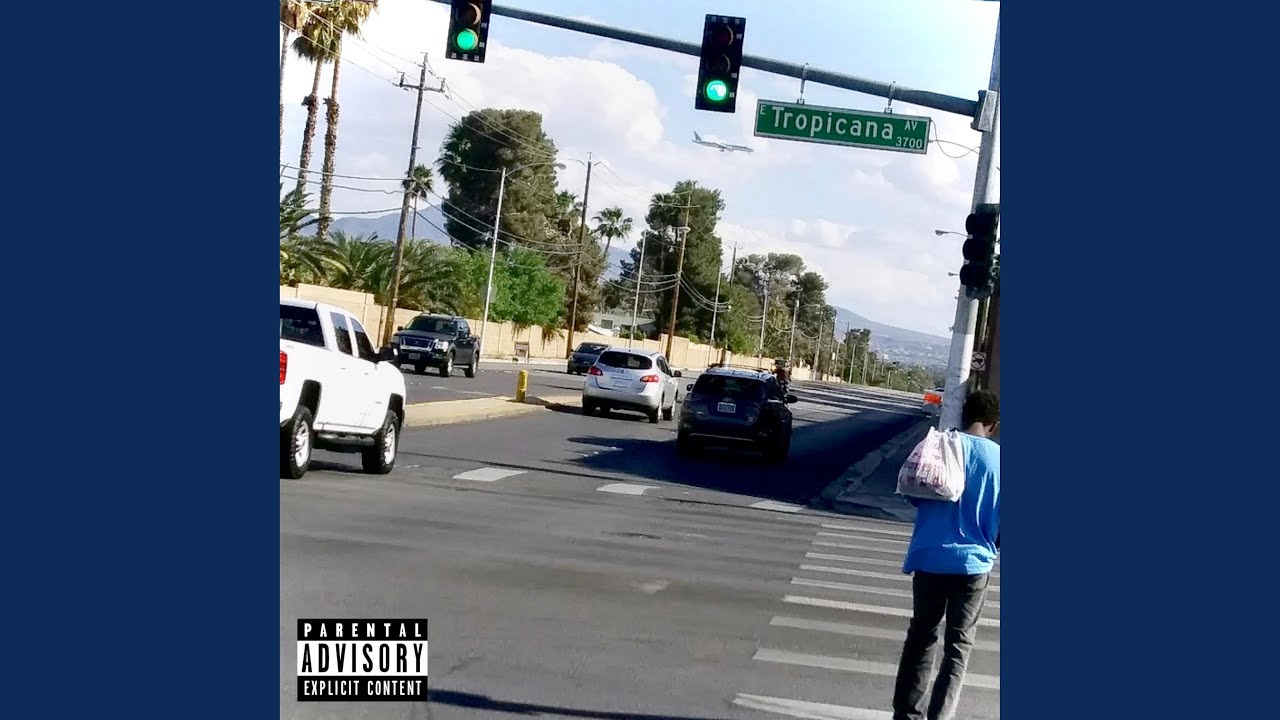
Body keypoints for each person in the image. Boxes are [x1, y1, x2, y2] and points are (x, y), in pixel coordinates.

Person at [892, 390, 1000, 720]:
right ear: (993, 425)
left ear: (963, 415)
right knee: (958, 645)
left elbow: (916, 493)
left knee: (921, 637)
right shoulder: (999, 460)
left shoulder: (940, 447)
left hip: (929, 557)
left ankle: (906, 714)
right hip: (972, 565)